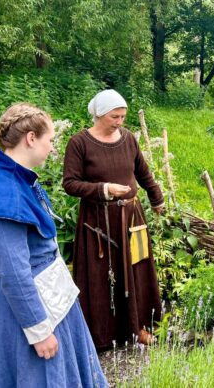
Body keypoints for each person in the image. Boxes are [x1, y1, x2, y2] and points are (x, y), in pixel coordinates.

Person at [0, 103, 107, 387]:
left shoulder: (17, 181)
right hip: (29, 314)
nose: (52, 148)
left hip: (50, 298)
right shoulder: (4, 197)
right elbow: (15, 273)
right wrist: (39, 331)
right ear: (30, 138)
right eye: (49, 140)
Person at [62, 89, 164, 350]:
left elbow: (142, 172)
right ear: (98, 115)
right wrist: (103, 189)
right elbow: (70, 184)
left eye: (122, 117)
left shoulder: (129, 139)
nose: (120, 122)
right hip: (98, 223)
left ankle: (137, 327)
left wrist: (156, 198)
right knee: (100, 277)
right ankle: (100, 335)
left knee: (136, 271)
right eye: (114, 117)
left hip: (131, 219)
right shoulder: (79, 143)